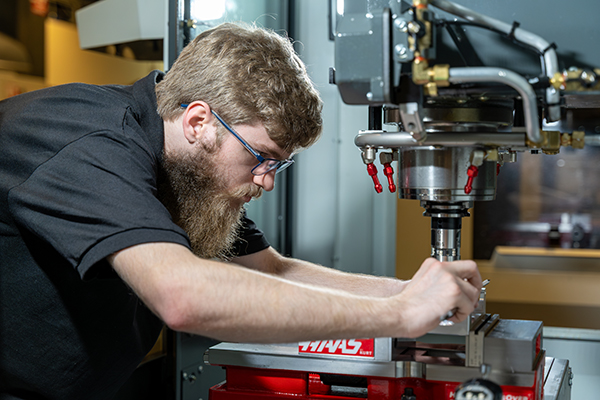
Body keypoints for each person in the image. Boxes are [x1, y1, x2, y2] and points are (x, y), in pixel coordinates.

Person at [0, 22, 482, 399]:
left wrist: (412, 292)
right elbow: (182, 296)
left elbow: (274, 270)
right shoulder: (89, 144)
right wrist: (399, 315)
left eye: (280, 164)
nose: (267, 180)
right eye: (260, 157)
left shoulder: (193, 179)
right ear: (198, 121)